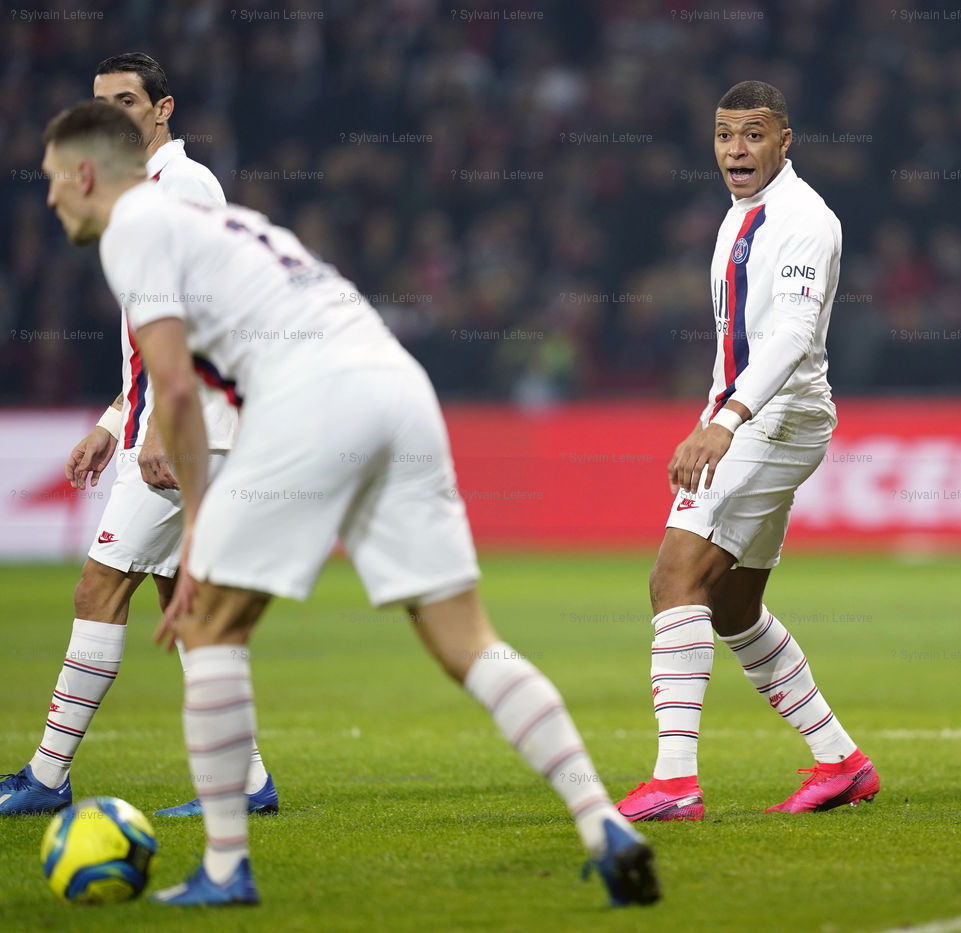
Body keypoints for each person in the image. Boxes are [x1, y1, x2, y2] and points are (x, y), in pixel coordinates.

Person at [39, 100, 660, 909]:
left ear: (86, 174)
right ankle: (601, 820)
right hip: (397, 386)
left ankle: (225, 868)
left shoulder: (134, 227)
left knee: (210, 624)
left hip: (310, 397)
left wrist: (197, 530)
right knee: (467, 638)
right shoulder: (222, 223)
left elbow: (177, 392)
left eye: (53, 179)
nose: (49, 197)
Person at [0, 52, 276, 819]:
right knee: (184, 609)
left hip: (186, 430)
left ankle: (47, 774)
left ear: (163, 109)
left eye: (127, 101)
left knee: (99, 586)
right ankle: (246, 780)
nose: (112, 115)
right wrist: (110, 420)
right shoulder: (139, 193)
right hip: (169, 421)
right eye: (102, 103)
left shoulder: (182, 185)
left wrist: (156, 425)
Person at [617, 81, 879, 822]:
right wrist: (718, 410)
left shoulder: (805, 219)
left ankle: (675, 782)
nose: (736, 149)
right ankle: (842, 762)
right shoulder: (741, 214)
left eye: (753, 134)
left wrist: (725, 421)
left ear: (784, 141)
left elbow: (792, 335)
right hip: (756, 416)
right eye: (725, 134)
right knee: (732, 604)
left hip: (775, 420)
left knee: (674, 579)